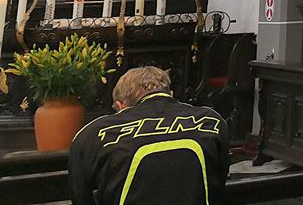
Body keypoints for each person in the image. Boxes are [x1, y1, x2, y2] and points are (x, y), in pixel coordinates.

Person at [69, 65, 229, 205]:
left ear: (120, 105)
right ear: (171, 93)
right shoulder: (211, 121)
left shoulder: (92, 134)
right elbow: (218, 185)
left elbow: (80, 197)